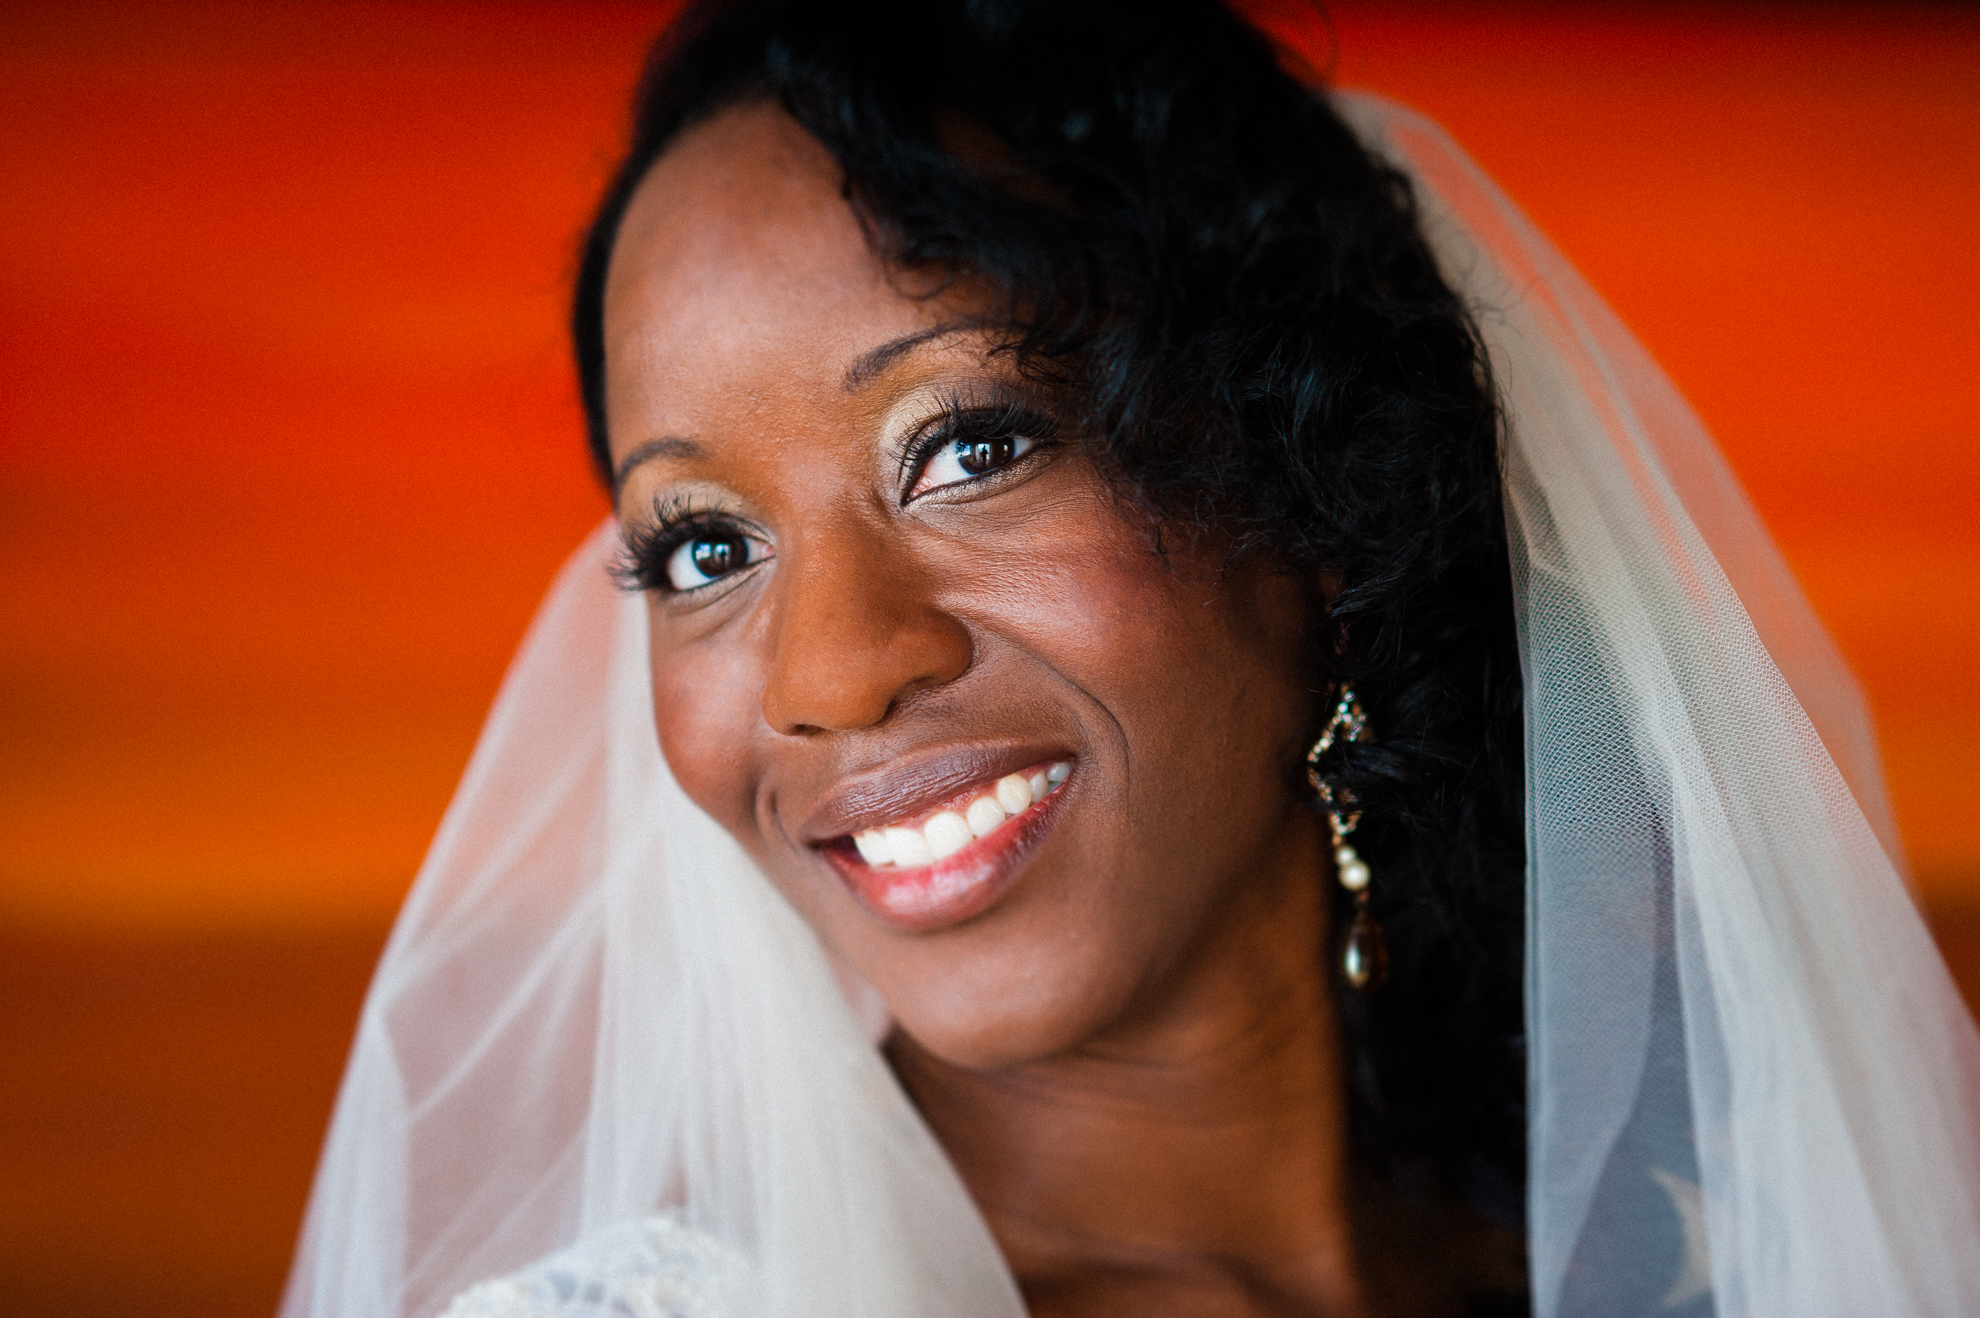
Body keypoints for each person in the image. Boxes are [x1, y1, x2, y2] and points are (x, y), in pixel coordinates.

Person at [280, 3, 1980, 1316]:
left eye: (971, 445)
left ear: (1311, 479)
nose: (832, 668)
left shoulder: (1710, 1262)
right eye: (705, 548)